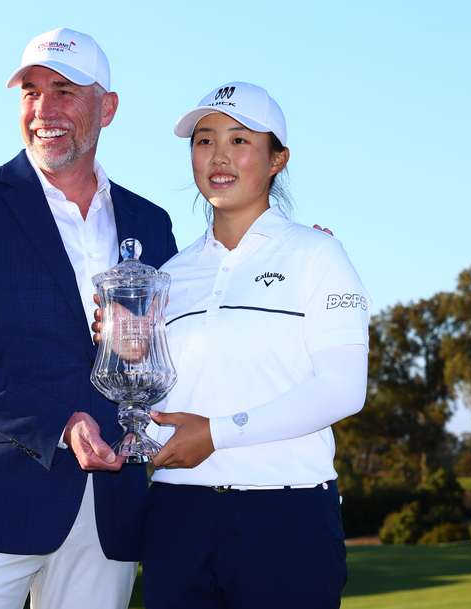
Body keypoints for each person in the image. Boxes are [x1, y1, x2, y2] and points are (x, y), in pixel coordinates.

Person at [0, 27, 177, 609]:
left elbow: (187, 327)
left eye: (64, 91)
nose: (43, 110)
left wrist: (286, 248)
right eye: (30, 92)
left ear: (106, 108)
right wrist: (61, 422)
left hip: (110, 506)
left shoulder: (151, 221)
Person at [140, 82, 369, 609]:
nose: (218, 156)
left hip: (285, 521)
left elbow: (343, 389)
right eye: (203, 140)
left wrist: (217, 436)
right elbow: (156, 398)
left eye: (239, 140)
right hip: (177, 519)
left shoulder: (319, 255)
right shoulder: (168, 276)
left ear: (277, 160)